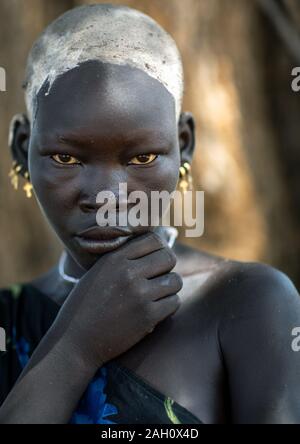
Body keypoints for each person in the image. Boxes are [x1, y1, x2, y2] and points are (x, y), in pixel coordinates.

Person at [0, 3, 300, 424]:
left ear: (184, 144)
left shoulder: (249, 303)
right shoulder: (8, 321)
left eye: (141, 158)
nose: (107, 198)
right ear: (21, 150)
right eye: (66, 159)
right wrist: (75, 348)